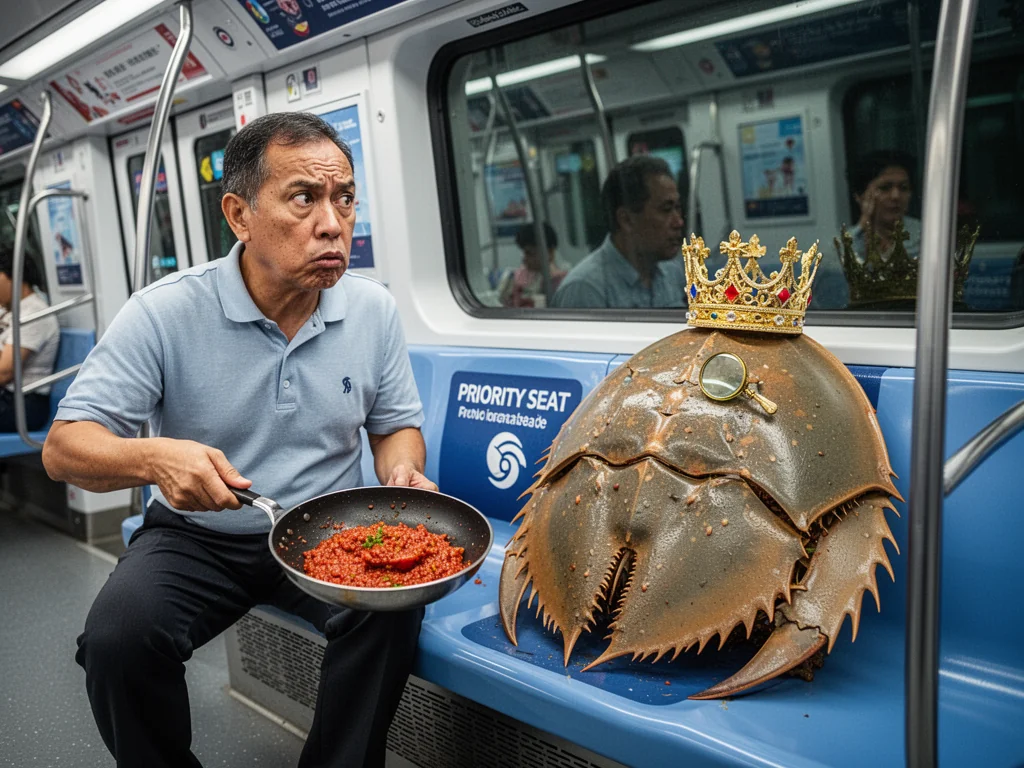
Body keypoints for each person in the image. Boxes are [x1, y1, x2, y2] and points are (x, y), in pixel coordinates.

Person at [42, 113, 434, 768]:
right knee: (117, 639)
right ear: (239, 214)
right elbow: (63, 448)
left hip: (327, 530)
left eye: (344, 199)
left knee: (389, 611)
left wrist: (400, 473)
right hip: (198, 536)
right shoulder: (163, 312)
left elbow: (394, 426)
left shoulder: (373, 310)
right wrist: (155, 456)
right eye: (304, 198)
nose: (334, 223)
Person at [551, 156, 685, 308]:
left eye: (678, 208)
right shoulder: (586, 290)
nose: (679, 222)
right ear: (626, 220)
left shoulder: (672, 272)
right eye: (666, 210)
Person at [814, 149, 921, 309]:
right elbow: (820, 283)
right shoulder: (845, 242)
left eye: (903, 188)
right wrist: (863, 226)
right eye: (885, 188)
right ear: (860, 196)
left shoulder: (927, 236)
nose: (896, 196)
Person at [0, 245, 59, 431]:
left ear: (12, 276)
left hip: (24, 404)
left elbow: (4, 372)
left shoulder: (33, 313)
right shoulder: (8, 310)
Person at [497, 222, 567, 308]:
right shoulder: (515, 278)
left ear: (550, 252)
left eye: (530, 253)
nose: (524, 258)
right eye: (524, 253)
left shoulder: (561, 283)